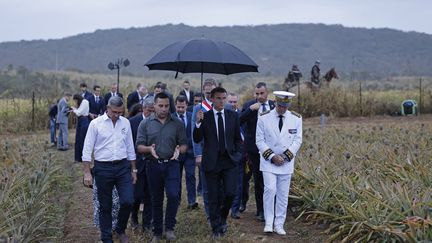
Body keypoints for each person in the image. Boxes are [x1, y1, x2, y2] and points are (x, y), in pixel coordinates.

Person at [82, 96, 137, 243]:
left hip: (122, 167)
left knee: (128, 201)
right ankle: (106, 237)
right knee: (105, 205)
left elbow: (130, 147)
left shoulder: (125, 123)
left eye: (120, 112)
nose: (117, 115)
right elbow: (87, 149)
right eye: (115, 112)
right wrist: (87, 172)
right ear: (107, 108)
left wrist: (134, 170)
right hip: (103, 168)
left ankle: (120, 229)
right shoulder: (95, 124)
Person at [136, 92, 187, 243]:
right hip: (153, 165)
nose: (164, 109)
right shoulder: (145, 123)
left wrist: (179, 150)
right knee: (155, 199)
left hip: (172, 164)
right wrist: (149, 150)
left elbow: (184, 144)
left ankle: (169, 227)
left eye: (166, 106)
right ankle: (157, 232)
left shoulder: (177, 123)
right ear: (154, 106)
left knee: (173, 195)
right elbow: (138, 146)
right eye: (160, 106)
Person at [193, 87, 243, 239]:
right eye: (219, 98)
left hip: (229, 161)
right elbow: (196, 139)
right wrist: (198, 123)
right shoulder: (205, 116)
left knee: (230, 193)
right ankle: (216, 228)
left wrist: (238, 154)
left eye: (224, 98)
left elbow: (237, 138)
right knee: (213, 196)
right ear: (212, 99)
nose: (222, 101)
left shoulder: (232, 116)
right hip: (211, 162)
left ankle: (222, 218)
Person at [256, 91, 302, 235]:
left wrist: (286, 156)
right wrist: (272, 156)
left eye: (285, 106)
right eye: (280, 105)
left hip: (286, 162)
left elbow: (298, 140)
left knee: (282, 194)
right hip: (269, 161)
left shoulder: (296, 118)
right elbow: (259, 140)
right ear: (275, 102)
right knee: (270, 190)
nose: (282, 108)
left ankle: (279, 224)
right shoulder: (264, 117)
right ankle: (269, 223)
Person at [240, 82, 275, 222]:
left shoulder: (274, 105)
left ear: (267, 93)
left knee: (270, 181)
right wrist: (250, 110)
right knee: (259, 180)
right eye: (257, 93)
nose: (259, 96)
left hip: (272, 149)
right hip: (254, 150)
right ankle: (260, 210)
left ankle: (271, 209)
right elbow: (239, 120)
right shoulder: (249, 105)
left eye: (262, 93)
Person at [191, 79, 217, 219]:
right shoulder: (198, 108)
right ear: (203, 90)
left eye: (211, 91)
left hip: (219, 151)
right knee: (206, 186)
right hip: (204, 151)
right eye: (206, 91)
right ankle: (209, 214)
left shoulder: (220, 106)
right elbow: (193, 132)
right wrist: (198, 154)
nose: (209, 93)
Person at [128, 97, 154, 231]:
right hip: (136, 163)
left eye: (153, 110)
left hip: (152, 163)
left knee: (149, 194)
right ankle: (134, 217)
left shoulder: (158, 122)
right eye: (149, 110)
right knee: (137, 194)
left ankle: (147, 223)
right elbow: (129, 143)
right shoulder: (132, 122)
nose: (152, 113)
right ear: (143, 108)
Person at [172, 95, 198, 210]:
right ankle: (176, 200)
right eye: (178, 107)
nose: (181, 109)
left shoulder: (191, 116)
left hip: (190, 153)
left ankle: (192, 201)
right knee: (176, 177)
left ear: (187, 106)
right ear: (175, 105)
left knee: (191, 175)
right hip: (176, 153)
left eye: (183, 107)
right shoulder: (171, 118)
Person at [226, 93, 245, 220]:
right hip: (225, 155)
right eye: (230, 102)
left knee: (238, 182)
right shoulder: (223, 115)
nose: (233, 104)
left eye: (234, 102)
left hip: (239, 154)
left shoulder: (240, 115)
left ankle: (235, 209)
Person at [70, 94, 90, 162]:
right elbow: (79, 112)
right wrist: (75, 109)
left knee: (82, 139)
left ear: (77, 99)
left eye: (75, 101)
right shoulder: (82, 103)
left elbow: (79, 113)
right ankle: (77, 158)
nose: (75, 102)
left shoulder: (85, 102)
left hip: (84, 121)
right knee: (78, 139)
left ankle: (82, 158)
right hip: (80, 120)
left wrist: (74, 109)